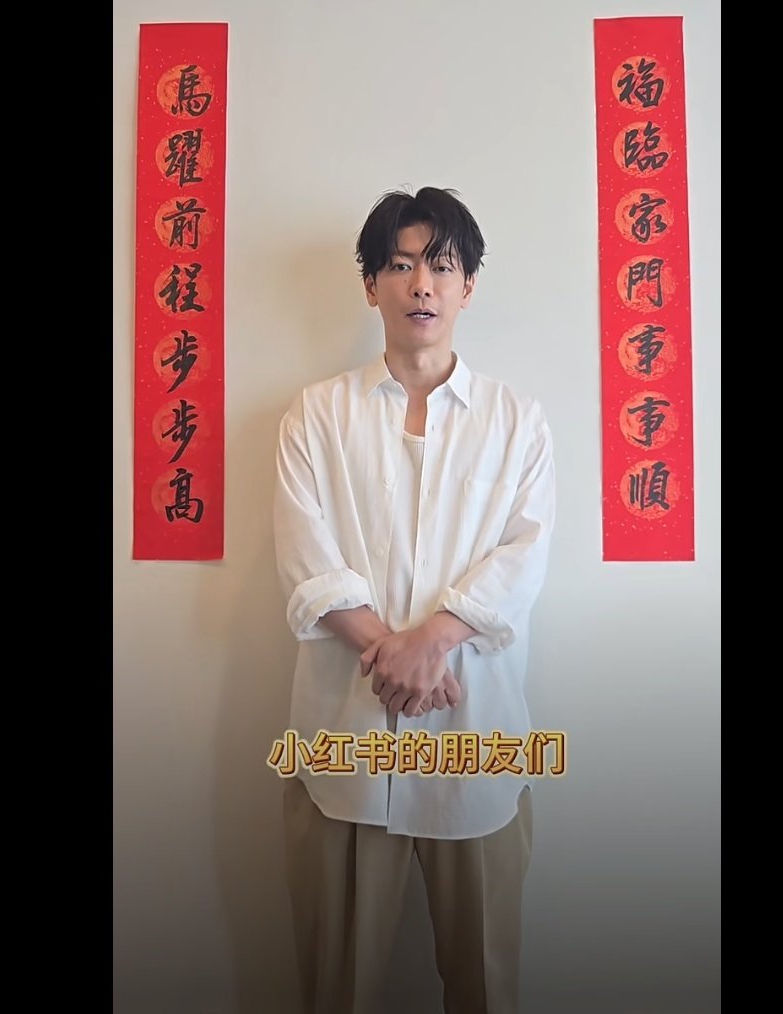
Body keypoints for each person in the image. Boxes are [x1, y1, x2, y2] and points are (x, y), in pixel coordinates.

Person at [273, 186, 555, 1014]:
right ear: (371, 286)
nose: (421, 284)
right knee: (336, 988)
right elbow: (305, 554)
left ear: (468, 285)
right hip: (345, 741)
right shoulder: (316, 415)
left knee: (486, 986)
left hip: (476, 741)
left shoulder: (517, 420)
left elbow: (525, 553)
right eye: (399, 266)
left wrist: (432, 640)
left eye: (441, 265)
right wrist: (393, 652)